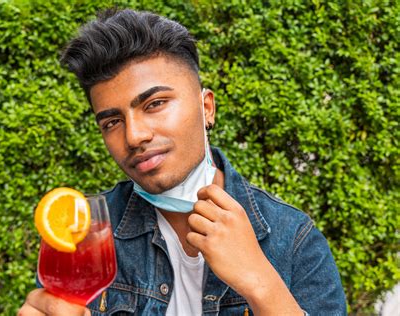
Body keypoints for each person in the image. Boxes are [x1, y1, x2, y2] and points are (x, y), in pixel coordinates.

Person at [18, 8, 346, 316]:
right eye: (112, 122)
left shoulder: (293, 239)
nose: (134, 136)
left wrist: (260, 282)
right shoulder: (85, 235)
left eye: (155, 103)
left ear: (207, 108)